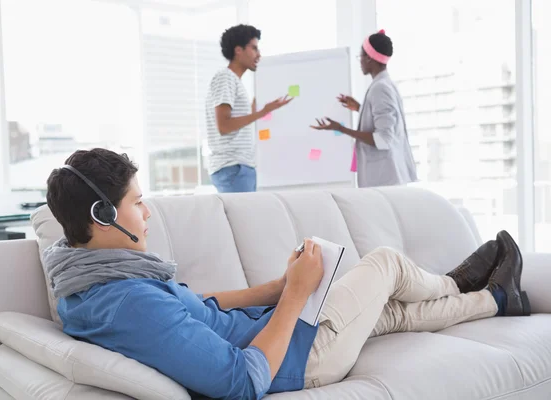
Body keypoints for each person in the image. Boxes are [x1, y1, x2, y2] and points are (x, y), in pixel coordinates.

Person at [43, 148, 530, 399]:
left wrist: (277, 288)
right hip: (300, 360)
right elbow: (241, 381)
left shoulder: (87, 279)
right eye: (137, 203)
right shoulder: (129, 303)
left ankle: (495, 300)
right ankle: (456, 280)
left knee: (389, 312)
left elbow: (200, 307)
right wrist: (296, 296)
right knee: (384, 262)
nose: (146, 214)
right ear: (104, 215)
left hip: (284, 337)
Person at [311, 29, 417, 188]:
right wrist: (360, 108)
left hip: (385, 180)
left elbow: (383, 138)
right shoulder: (385, 85)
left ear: (369, 59)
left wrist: (341, 128)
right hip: (387, 179)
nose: (359, 61)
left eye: (360, 56)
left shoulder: (380, 88)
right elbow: (387, 122)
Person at [205, 24, 292, 193]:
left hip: (239, 167)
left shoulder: (234, 81)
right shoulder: (225, 78)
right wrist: (262, 112)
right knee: (244, 220)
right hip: (233, 167)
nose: (258, 55)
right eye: (254, 48)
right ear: (239, 50)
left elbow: (236, 122)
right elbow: (224, 126)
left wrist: (260, 107)